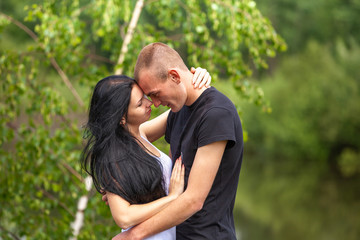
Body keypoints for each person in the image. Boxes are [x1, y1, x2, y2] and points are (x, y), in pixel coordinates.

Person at [112, 42, 244, 240]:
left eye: (156, 94)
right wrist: (112, 181)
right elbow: (128, 136)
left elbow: (193, 200)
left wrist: (134, 235)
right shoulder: (179, 109)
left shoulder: (216, 114)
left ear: (174, 76)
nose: (155, 104)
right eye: (149, 97)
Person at [81, 68, 211, 240]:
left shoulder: (139, 134)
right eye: (139, 103)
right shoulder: (114, 156)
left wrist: (197, 79)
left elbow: (182, 104)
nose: (149, 103)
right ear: (121, 118)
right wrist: (172, 197)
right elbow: (124, 217)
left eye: (144, 96)